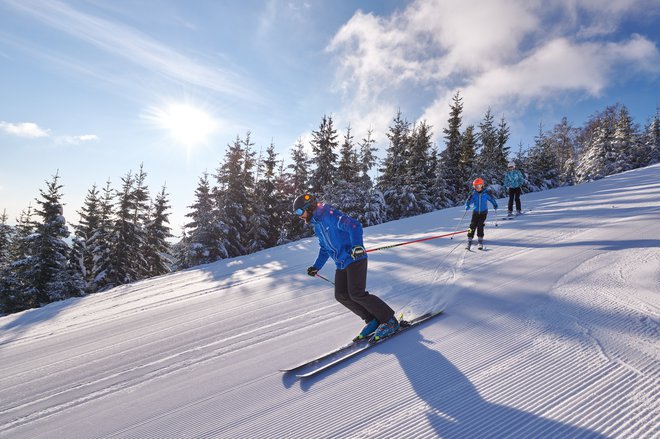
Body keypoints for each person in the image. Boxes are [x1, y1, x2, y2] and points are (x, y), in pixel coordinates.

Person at [293, 193, 399, 342]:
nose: (299, 216)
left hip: (355, 257)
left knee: (356, 293)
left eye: (299, 212)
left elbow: (354, 226)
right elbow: (324, 249)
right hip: (341, 263)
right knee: (341, 295)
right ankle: (372, 320)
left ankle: (389, 320)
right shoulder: (317, 226)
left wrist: (357, 246)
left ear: (308, 207)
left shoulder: (329, 215)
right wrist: (316, 267)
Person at [465, 178, 498, 250]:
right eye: (475, 187)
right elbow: (468, 201)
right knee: (472, 225)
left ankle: (480, 238)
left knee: (480, 225)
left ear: (482, 186)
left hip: (483, 212)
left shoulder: (486, 193)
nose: (477, 188)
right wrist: (467, 205)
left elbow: (491, 199)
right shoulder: (473, 194)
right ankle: (469, 237)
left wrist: (494, 204)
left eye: (478, 186)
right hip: (475, 212)